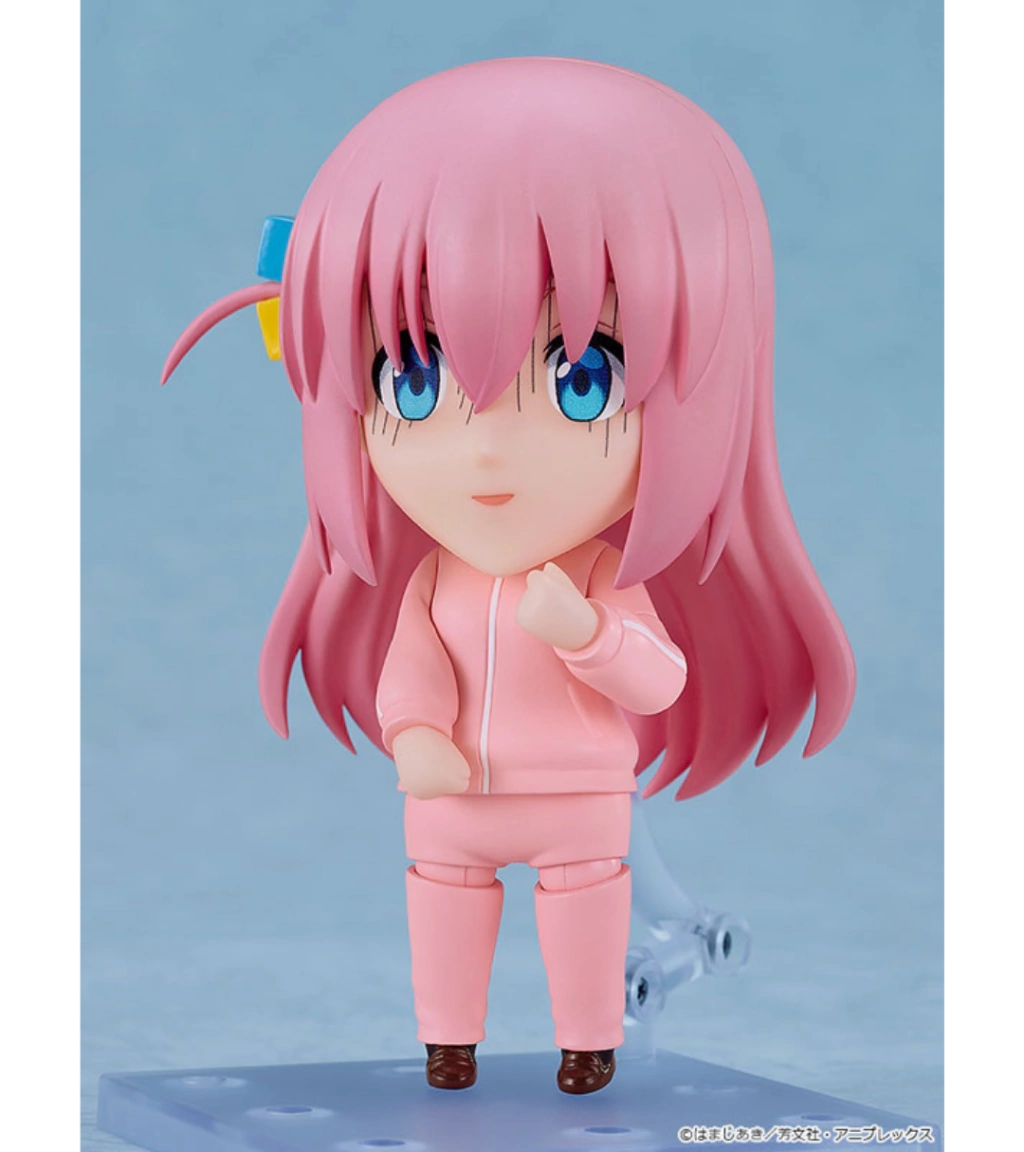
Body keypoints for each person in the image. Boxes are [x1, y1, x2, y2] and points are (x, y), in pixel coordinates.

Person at [162, 57, 856, 1095]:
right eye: (413, 377)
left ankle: (589, 1043)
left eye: (582, 381)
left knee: (585, 909)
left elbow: (657, 680)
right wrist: (416, 734)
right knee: (444, 903)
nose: (485, 449)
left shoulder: (605, 574)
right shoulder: (432, 585)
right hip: (453, 796)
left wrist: (589, 634)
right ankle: (450, 1042)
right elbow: (412, 670)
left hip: (580, 794)